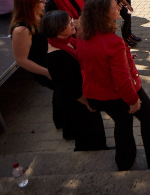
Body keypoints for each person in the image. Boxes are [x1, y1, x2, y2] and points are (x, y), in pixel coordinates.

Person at [76, 0, 150, 170]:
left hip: (97, 94)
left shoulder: (83, 35)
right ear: (103, 14)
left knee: (122, 122)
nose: (119, 8)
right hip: (116, 94)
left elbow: (93, 62)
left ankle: (125, 160)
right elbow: (122, 79)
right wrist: (133, 100)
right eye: (115, 7)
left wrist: (126, 56)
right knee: (147, 113)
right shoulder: (114, 42)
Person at [41, 11, 108, 151]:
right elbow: (70, 88)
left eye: (71, 20)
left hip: (82, 94)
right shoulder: (56, 57)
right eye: (68, 23)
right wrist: (87, 103)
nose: (73, 23)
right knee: (89, 132)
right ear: (57, 29)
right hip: (77, 102)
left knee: (93, 130)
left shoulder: (67, 41)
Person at [10, 0, 65, 129]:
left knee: (62, 91)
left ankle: (61, 121)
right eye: (41, 0)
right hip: (44, 68)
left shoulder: (39, 17)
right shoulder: (22, 30)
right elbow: (21, 60)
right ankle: (64, 123)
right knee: (64, 90)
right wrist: (47, 72)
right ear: (31, 5)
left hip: (52, 63)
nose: (45, 1)